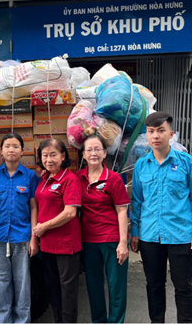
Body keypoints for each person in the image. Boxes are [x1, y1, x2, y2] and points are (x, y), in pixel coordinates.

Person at [129, 112, 192, 323]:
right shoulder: (141, 165)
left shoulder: (188, 163)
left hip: (181, 235)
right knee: (154, 285)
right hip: (149, 236)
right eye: (151, 131)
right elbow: (137, 201)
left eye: (161, 130)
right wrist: (135, 232)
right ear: (147, 135)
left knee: (183, 286)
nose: (156, 135)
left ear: (171, 134)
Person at [0, 133, 40, 324]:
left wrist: (34, 237)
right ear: (1, 151)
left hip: (22, 236)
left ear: (22, 151)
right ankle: (3, 321)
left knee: (22, 281)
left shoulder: (30, 176)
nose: (11, 150)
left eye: (15, 146)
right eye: (7, 146)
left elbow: (34, 207)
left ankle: (22, 321)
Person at [77, 135, 131, 323]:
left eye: (97, 149)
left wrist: (123, 242)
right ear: (83, 154)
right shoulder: (78, 178)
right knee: (94, 287)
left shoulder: (113, 179)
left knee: (116, 287)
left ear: (105, 153)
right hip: (88, 240)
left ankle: (116, 323)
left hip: (111, 240)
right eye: (89, 150)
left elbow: (122, 210)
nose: (93, 153)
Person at [35, 136, 83, 323]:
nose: (49, 159)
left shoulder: (69, 179)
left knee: (68, 290)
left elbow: (70, 212)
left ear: (63, 156)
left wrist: (44, 226)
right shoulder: (45, 178)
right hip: (47, 243)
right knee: (52, 287)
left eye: (53, 155)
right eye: (45, 155)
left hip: (66, 244)